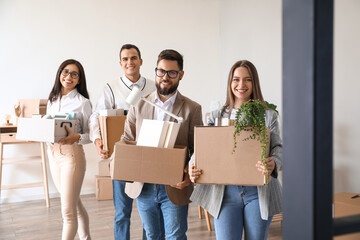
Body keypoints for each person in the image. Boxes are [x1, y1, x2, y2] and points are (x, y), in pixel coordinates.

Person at [189, 60, 283, 240]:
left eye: (247, 80)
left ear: (254, 83)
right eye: (236, 79)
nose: (241, 85)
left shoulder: (268, 115)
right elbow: (204, 146)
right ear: (230, 83)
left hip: (258, 193)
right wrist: (193, 165)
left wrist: (274, 162)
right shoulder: (217, 115)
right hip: (224, 193)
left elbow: (278, 147)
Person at [121, 49, 203, 239]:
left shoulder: (192, 109)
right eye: (161, 71)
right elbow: (126, 140)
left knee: (175, 235)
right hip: (145, 186)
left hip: (174, 185)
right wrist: (116, 161)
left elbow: (198, 150)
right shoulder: (139, 104)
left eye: (172, 73)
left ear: (180, 75)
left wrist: (188, 175)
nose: (165, 77)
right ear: (155, 71)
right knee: (152, 235)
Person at [88, 44, 155, 240]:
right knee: (122, 213)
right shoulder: (111, 87)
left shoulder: (153, 86)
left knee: (148, 211)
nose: (129, 62)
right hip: (121, 156)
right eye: (125, 59)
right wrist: (97, 139)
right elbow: (96, 116)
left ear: (141, 61)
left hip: (149, 155)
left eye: (133, 58)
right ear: (120, 63)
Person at [46, 59, 92, 240]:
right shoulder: (52, 100)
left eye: (75, 74)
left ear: (79, 80)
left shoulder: (83, 103)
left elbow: (92, 135)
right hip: (53, 155)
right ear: (59, 74)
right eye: (66, 72)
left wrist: (78, 137)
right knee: (74, 204)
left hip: (71, 157)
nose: (69, 77)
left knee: (67, 211)